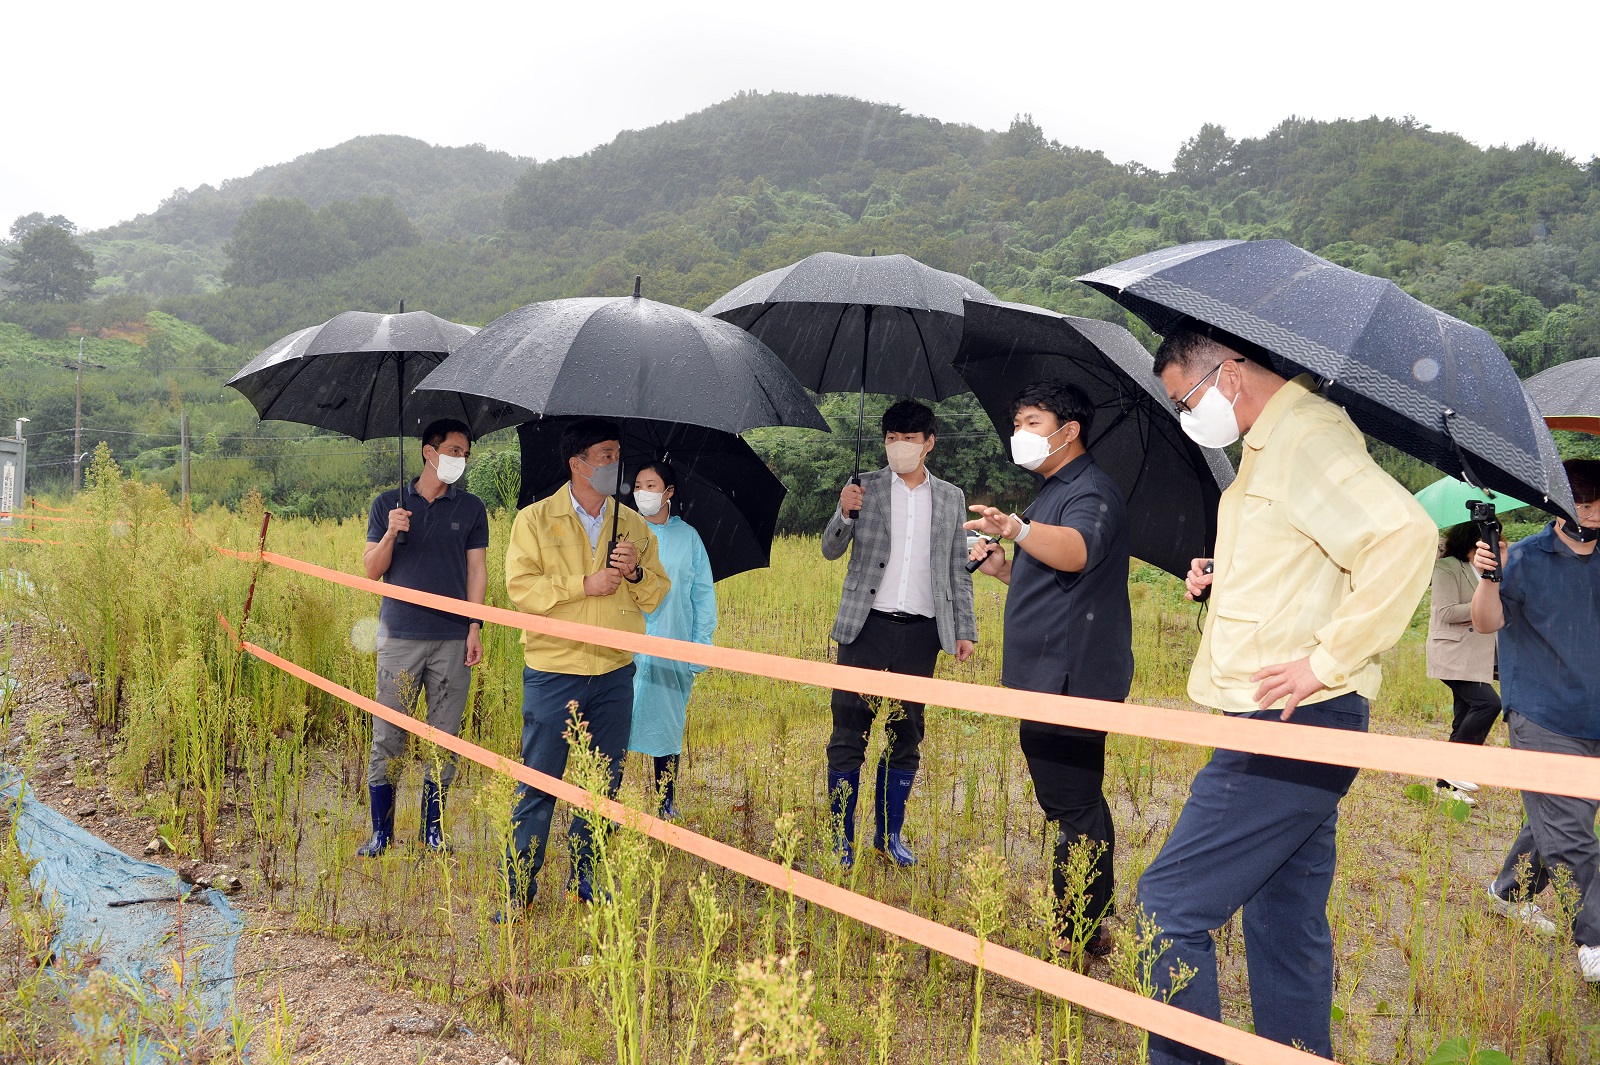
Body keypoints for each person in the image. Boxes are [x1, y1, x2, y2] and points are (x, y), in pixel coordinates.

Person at [1134, 325, 1435, 1063]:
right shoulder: (1270, 447)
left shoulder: (1305, 438)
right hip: (1287, 722)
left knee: (1167, 907)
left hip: (1290, 724)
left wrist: (1327, 659)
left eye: (1184, 400)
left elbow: (1404, 535)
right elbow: (1305, 566)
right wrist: (1219, 573)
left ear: (1230, 373)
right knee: (1284, 922)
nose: (1185, 417)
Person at [966, 380, 1131, 956]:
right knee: (1070, 797)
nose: (1020, 434)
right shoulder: (1052, 491)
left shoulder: (1092, 491)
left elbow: (1078, 551)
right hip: (1046, 670)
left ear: (1068, 430)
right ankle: (1086, 914)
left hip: (1070, 674)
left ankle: (1081, 925)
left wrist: (1016, 529)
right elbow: (1056, 578)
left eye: (1031, 422)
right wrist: (1004, 568)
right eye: (1017, 423)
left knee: (1073, 802)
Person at [502, 418, 669, 907]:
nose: (615, 464)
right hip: (555, 671)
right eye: (605, 455)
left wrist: (635, 572)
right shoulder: (534, 520)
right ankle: (518, 887)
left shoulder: (633, 524)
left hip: (616, 672)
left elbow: (656, 595)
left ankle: (587, 877)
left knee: (603, 782)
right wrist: (583, 585)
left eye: (618, 454)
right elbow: (521, 589)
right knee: (540, 781)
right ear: (577, 464)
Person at [822, 399, 976, 868]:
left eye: (909, 440)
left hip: (922, 633)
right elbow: (831, 549)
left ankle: (887, 836)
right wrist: (843, 513)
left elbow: (958, 568)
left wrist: (964, 628)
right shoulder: (862, 487)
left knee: (905, 734)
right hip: (865, 628)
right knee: (849, 731)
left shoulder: (950, 497)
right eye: (891, 440)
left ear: (928, 443)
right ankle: (839, 841)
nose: (899, 448)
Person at [1471, 459, 1600, 981]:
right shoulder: (1521, 558)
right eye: (1585, 503)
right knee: (1572, 833)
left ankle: (1509, 891)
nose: (1592, 513)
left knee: (1556, 816)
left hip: (1595, 714)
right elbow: (1486, 623)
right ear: (1561, 505)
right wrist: (1488, 578)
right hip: (1542, 713)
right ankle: (1594, 939)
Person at [359, 418, 489, 856]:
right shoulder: (387, 504)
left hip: (453, 638)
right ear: (428, 453)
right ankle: (382, 832)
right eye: (453, 450)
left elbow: (477, 571)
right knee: (388, 734)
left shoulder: (471, 508)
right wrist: (393, 532)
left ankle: (432, 832)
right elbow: (372, 570)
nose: (460, 459)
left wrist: (475, 626)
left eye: (465, 453)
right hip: (399, 637)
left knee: (444, 736)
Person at [626, 461, 718, 819]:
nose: (642, 493)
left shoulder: (688, 538)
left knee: (667, 725)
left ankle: (666, 801)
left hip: (672, 643)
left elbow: (702, 596)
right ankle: (607, 801)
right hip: (627, 646)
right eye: (637, 485)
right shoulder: (623, 531)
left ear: (668, 493)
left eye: (651, 485)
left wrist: (700, 646)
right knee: (616, 722)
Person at [1426, 521, 1502, 804]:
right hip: (1453, 653)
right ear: (1471, 542)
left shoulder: (1490, 570)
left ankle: (1446, 787)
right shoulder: (1447, 568)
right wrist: (1484, 608)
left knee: (1464, 716)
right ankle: (1454, 770)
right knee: (1489, 704)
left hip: (1479, 655)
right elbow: (1445, 612)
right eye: (1486, 540)